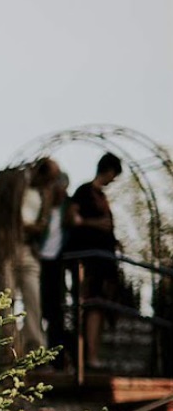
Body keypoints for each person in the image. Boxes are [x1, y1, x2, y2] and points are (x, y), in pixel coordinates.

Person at [64, 153, 126, 369]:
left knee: (100, 305)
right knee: (92, 304)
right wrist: (95, 224)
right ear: (108, 171)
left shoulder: (101, 196)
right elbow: (72, 219)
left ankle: (93, 354)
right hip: (90, 260)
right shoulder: (84, 191)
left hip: (104, 259)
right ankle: (89, 356)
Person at [0, 164, 45, 357]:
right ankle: (9, 347)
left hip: (27, 248)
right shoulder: (13, 181)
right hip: (8, 246)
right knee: (5, 297)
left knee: (33, 298)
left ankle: (34, 349)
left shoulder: (40, 192)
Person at [34, 161, 71, 365]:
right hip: (39, 259)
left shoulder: (67, 208)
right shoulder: (42, 205)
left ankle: (57, 355)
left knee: (56, 309)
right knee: (38, 306)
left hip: (56, 262)